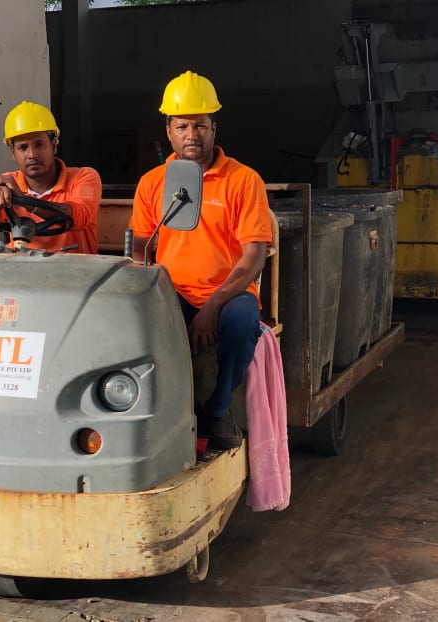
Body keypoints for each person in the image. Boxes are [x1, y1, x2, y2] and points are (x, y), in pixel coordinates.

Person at [129, 71, 273, 450]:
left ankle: (218, 407)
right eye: (182, 126)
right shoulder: (152, 184)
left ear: (214, 129)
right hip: (170, 290)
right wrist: (151, 291)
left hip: (227, 294)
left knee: (243, 323)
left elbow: (254, 256)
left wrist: (212, 306)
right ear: (169, 131)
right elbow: (141, 249)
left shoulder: (243, 181)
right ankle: (161, 411)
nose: (192, 134)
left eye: (200, 125)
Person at [0, 101, 101, 254]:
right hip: (23, 273)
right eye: (23, 147)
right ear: (13, 153)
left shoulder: (84, 177)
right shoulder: (8, 182)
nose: (32, 155)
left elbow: (79, 216)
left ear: (54, 146)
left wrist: (26, 202)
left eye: (39, 144)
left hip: (79, 273)